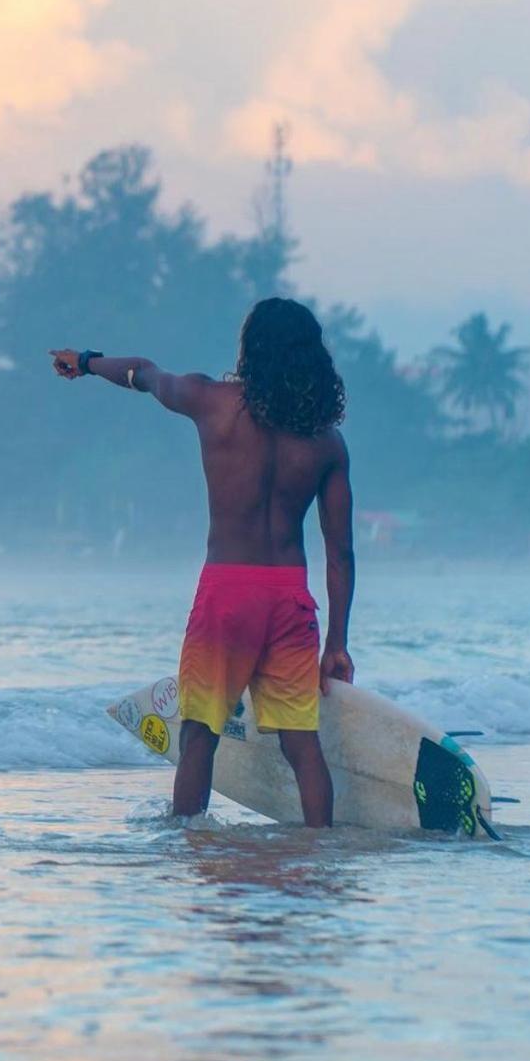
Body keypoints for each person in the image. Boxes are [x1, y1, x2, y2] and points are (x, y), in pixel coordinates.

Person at [51, 297, 354, 827]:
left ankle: (190, 842)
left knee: (199, 735)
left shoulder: (211, 402)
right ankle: (319, 852)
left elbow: (144, 374)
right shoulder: (326, 443)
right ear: (311, 357)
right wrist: (338, 644)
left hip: (227, 594)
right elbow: (341, 554)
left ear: (250, 349)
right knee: (302, 745)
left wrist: (87, 360)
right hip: (289, 596)